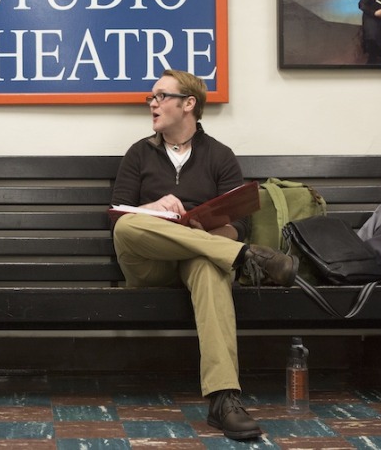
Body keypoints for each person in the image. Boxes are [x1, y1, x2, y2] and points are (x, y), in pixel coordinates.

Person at [110, 69, 298, 442]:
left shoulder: (220, 156)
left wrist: (204, 232)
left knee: (211, 271)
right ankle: (247, 258)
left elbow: (237, 225)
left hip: (198, 256)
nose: (152, 104)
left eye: (161, 96)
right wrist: (154, 207)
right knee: (127, 226)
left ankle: (223, 398)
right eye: (151, 97)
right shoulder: (139, 153)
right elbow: (119, 213)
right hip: (148, 262)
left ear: (188, 103)